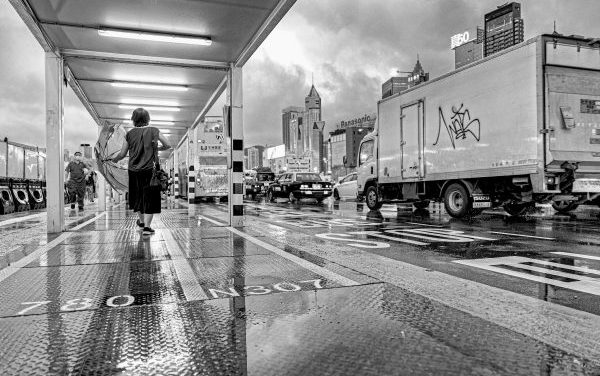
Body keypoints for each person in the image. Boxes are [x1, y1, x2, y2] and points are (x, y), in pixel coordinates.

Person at [112, 108, 171, 235]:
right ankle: (147, 228)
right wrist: (157, 147)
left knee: (137, 196)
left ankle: (142, 222)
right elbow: (168, 145)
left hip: (133, 170)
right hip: (150, 170)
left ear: (133, 119)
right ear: (147, 119)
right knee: (150, 196)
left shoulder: (129, 134)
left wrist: (115, 159)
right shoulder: (154, 130)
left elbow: (122, 154)